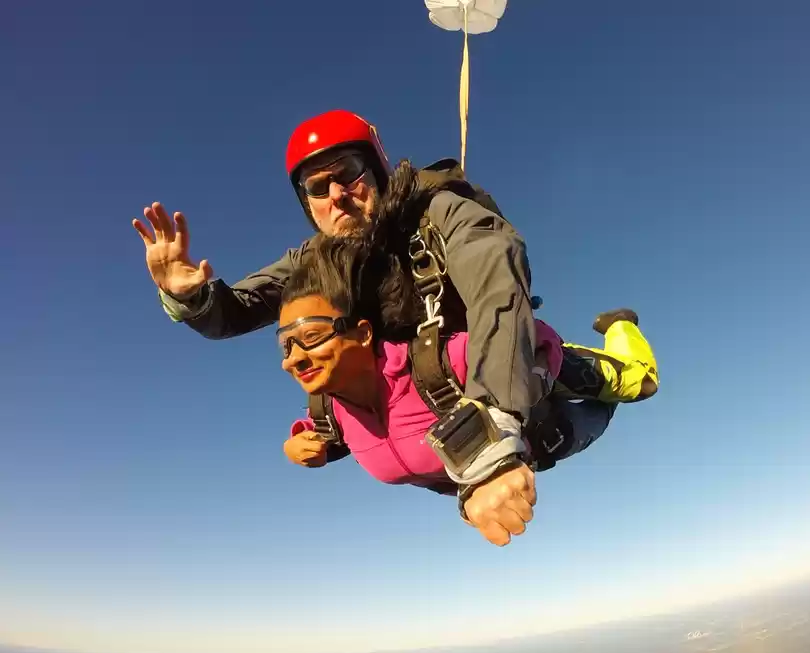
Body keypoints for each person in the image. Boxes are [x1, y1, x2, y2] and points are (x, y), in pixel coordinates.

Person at [132, 109, 658, 431]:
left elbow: (494, 273)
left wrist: (494, 414)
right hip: (435, 388)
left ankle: (621, 331)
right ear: (308, 204)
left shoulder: (437, 212)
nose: (337, 195)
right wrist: (191, 297)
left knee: (626, 383)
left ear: (377, 172)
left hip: (500, 355)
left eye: (348, 174)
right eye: (318, 188)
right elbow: (235, 312)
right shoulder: (312, 260)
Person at [277, 227, 656, 547]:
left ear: (362, 334)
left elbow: (527, 336)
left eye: (311, 337)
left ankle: (620, 325)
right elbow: (333, 433)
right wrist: (297, 444)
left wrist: (521, 397)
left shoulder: (430, 363)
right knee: (604, 412)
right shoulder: (330, 412)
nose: (292, 359)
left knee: (640, 384)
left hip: (549, 374)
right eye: (286, 345)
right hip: (551, 438)